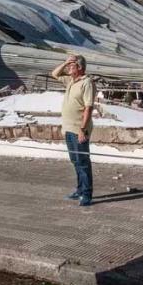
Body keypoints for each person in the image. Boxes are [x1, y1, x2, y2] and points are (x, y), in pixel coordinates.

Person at [50, 54, 96, 206]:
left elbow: (88, 107)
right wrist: (65, 62)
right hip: (68, 128)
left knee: (83, 162)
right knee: (75, 161)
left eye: (72, 65)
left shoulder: (86, 82)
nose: (69, 68)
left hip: (79, 129)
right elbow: (54, 74)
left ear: (80, 67)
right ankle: (79, 190)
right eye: (69, 65)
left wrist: (83, 129)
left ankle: (87, 194)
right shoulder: (71, 80)